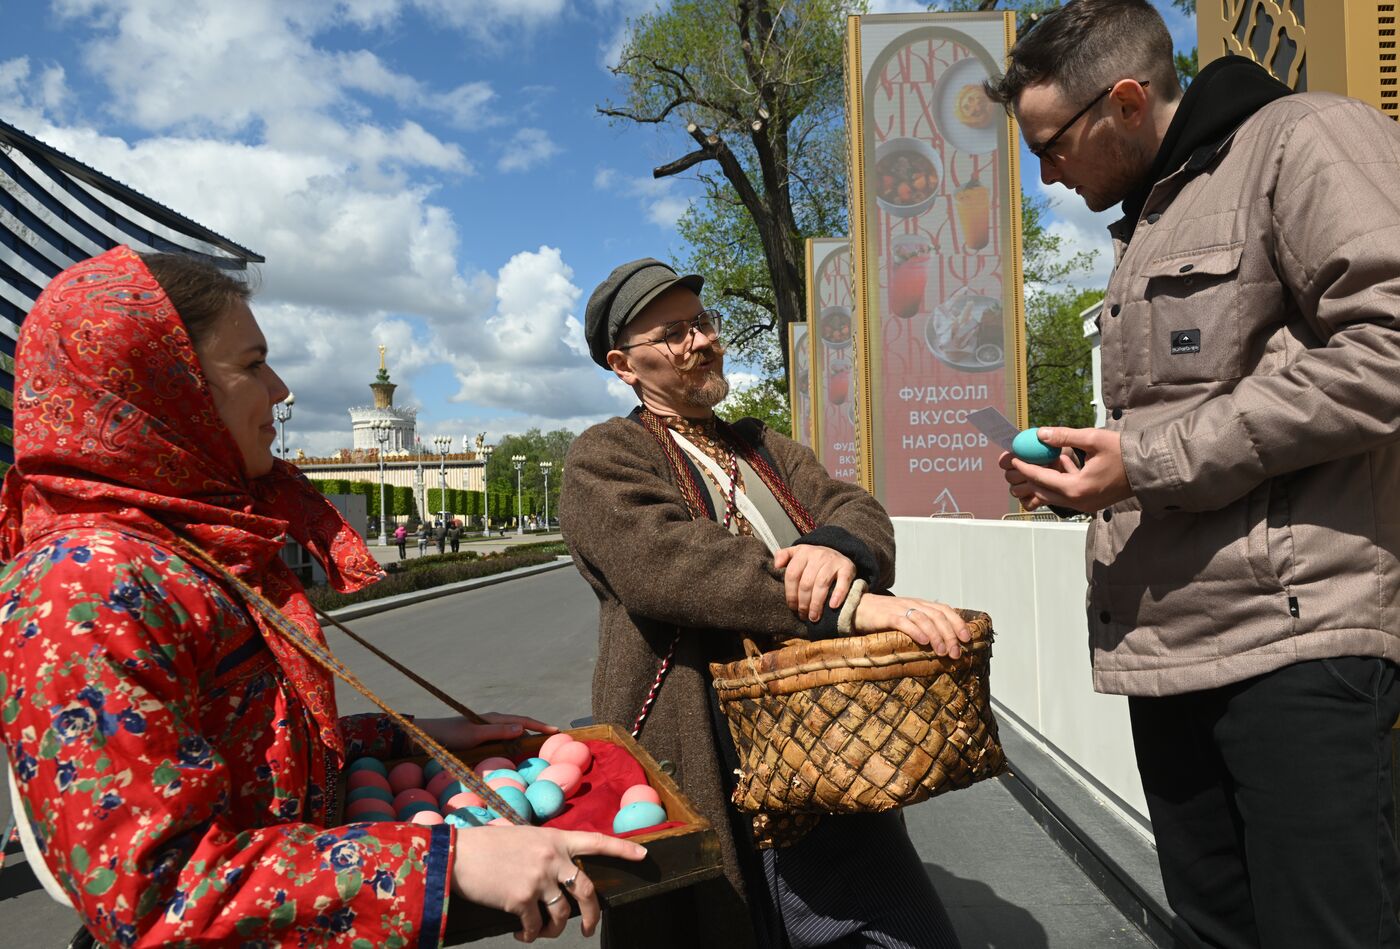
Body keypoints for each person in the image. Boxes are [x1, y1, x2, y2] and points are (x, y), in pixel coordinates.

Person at [0, 247, 644, 947]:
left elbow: (242, 753)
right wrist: (443, 861)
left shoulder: (190, 545)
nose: (279, 389)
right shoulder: (82, 587)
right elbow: (159, 896)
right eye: (251, 365)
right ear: (159, 390)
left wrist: (397, 736)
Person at [987, 2, 1400, 945]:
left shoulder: (1306, 140)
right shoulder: (1152, 220)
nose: (1046, 172)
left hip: (1295, 645)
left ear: (1125, 102)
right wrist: (1087, 478)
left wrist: (1146, 461)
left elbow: (1390, 349)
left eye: (1049, 145)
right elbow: (1189, 425)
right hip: (1170, 655)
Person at [560, 258, 970, 949]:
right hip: (706, 759)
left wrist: (838, 548)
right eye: (673, 333)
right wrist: (846, 608)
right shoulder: (604, 455)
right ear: (623, 364)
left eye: (703, 323)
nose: (701, 341)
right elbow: (668, 562)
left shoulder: (761, 444)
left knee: (902, 929)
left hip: (826, 745)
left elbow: (855, 505)